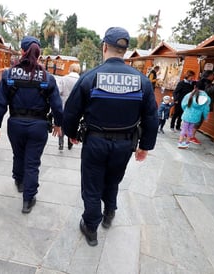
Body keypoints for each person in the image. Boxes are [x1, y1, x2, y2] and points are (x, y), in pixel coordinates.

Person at [63, 27, 158, 246]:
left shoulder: (90, 77)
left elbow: (71, 111)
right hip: (125, 144)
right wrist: (145, 146)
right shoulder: (142, 81)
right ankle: (109, 213)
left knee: (92, 185)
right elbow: (151, 117)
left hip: (95, 142)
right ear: (124, 51)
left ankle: (91, 226)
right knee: (113, 179)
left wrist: (70, 133)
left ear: (104, 47)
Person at [0, 36, 63, 214]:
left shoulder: (9, 74)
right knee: (32, 162)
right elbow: (57, 106)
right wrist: (58, 125)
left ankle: (19, 180)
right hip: (38, 126)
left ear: (22, 52)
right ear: (38, 54)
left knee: (18, 154)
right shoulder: (47, 77)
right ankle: (28, 199)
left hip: (15, 124)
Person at [177, 81, 211, 149]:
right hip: (196, 117)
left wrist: (185, 110)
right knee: (190, 130)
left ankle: (180, 142)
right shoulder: (207, 98)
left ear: (195, 86)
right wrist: (205, 117)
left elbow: (183, 104)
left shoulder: (190, 94)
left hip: (187, 115)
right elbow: (206, 109)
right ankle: (187, 143)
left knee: (184, 129)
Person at [58, 63, 81, 150]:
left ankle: (61, 143)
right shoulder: (81, 80)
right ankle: (70, 143)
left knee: (62, 125)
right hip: (76, 107)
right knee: (72, 124)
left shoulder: (64, 79)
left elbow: (59, 91)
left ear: (70, 69)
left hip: (64, 105)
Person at [190, 70, 214, 145]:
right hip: (202, 104)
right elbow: (208, 92)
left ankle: (188, 133)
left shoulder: (200, 81)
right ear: (209, 76)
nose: (213, 77)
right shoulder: (206, 82)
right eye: (212, 75)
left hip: (196, 103)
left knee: (194, 119)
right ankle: (191, 136)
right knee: (198, 120)